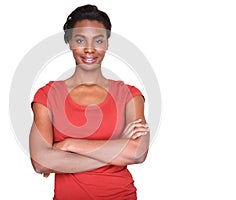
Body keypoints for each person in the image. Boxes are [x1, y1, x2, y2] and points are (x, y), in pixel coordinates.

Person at [29, 4, 150, 200]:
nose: (89, 49)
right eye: (80, 40)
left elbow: (137, 153)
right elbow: (41, 162)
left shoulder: (129, 94)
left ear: (107, 43)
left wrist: (69, 144)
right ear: (69, 42)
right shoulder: (47, 95)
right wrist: (115, 148)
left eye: (99, 40)